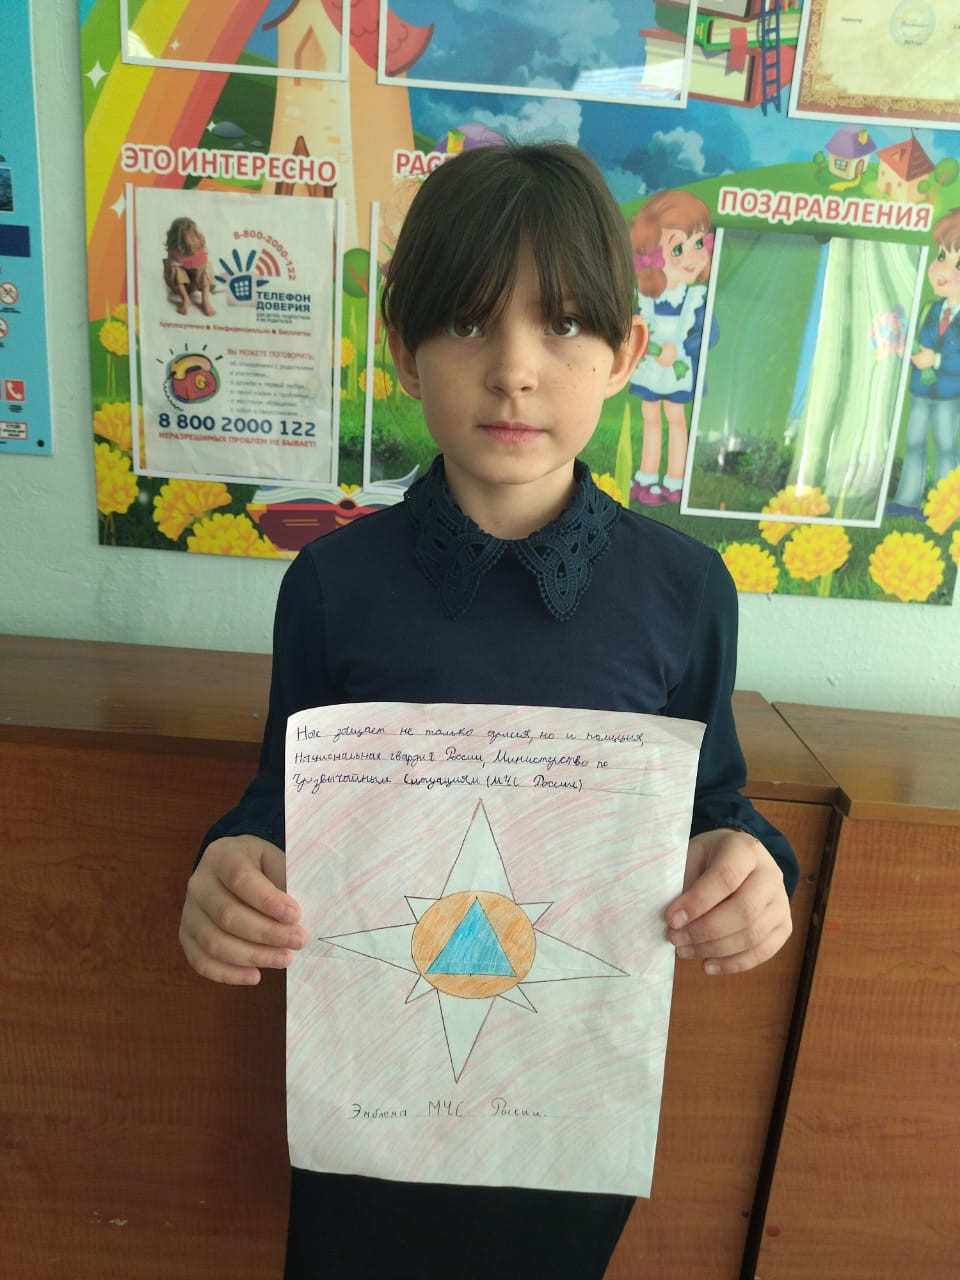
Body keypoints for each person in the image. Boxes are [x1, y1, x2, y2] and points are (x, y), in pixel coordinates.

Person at [179, 142, 797, 1280]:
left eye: (563, 324)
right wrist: (231, 860)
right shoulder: (332, 584)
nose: (515, 370)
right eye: (468, 323)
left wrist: (755, 866)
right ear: (402, 352)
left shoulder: (684, 590)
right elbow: (281, 795)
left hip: (566, 1109)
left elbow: (713, 801)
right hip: (369, 1105)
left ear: (627, 354)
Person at [628, 188, 714, 506]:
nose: (692, 256)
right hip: (651, 366)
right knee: (650, 416)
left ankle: (675, 480)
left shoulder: (695, 299)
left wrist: (685, 348)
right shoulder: (646, 298)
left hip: (679, 367)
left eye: (699, 244)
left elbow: (710, 333)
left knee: (676, 418)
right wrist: (647, 348)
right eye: (678, 248)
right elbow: (632, 327)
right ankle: (646, 477)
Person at [886, 207, 960, 519]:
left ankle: (945, 506)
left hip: (950, 395)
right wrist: (903, 349)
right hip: (921, 391)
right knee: (913, 441)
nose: (943, 268)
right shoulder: (930, 308)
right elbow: (917, 345)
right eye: (941, 255)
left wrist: (938, 359)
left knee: (946, 446)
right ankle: (907, 501)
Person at [163, 215, 216, 317]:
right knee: (174, 268)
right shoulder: (174, 248)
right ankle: (185, 299)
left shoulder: (199, 245)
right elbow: (172, 264)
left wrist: (189, 263)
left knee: (206, 267)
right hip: (179, 285)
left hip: (195, 282)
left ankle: (205, 301)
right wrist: (178, 263)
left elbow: (203, 264)